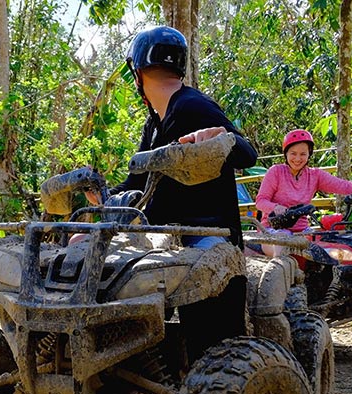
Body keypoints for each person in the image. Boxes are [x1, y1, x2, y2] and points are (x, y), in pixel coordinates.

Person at [104, 25, 258, 361]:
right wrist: (101, 200)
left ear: (137, 72)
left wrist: (223, 136)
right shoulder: (154, 123)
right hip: (167, 237)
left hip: (205, 238)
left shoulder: (193, 106)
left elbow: (247, 154)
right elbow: (134, 185)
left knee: (213, 350)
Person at [255, 128, 352, 256]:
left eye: (303, 154)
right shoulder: (276, 172)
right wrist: (275, 207)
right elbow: (260, 201)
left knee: (335, 244)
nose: (297, 158)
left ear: (309, 154)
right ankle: (280, 271)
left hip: (303, 231)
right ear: (286, 154)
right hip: (273, 230)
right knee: (283, 244)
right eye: (293, 153)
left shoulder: (314, 175)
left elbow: (343, 186)